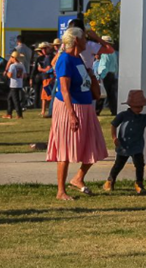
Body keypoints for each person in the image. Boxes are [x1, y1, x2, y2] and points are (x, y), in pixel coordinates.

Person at [46, 27, 109, 200]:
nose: (86, 42)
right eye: (84, 39)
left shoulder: (78, 58)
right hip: (70, 107)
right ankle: (61, 191)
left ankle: (78, 178)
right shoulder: (65, 59)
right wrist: (71, 114)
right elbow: (65, 90)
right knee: (65, 148)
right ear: (76, 41)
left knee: (94, 145)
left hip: (86, 106)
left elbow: (87, 80)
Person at [104, 90, 146, 194]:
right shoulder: (123, 115)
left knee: (140, 164)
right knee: (119, 164)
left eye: (141, 106)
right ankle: (110, 180)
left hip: (137, 145)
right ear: (130, 105)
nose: (139, 109)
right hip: (124, 145)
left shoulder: (142, 118)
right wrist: (114, 138)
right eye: (136, 106)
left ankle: (139, 183)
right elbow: (113, 124)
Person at [95, 35, 119, 116]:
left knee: (101, 93)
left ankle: (97, 110)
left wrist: (100, 76)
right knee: (111, 94)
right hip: (112, 74)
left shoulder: (105, 53)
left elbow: (104, 66)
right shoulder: (113, 53)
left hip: (105, 74)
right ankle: (114, 110)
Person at [4, 51, 27, 119]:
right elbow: (25, 75)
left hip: (13, 85)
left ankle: (19, 114)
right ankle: (9, 113)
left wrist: (7, 73)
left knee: (15, 100)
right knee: (10, 98)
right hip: (19, 84)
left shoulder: (12, 66)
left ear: (14, 58)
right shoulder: (21, 65)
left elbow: (10, 75)